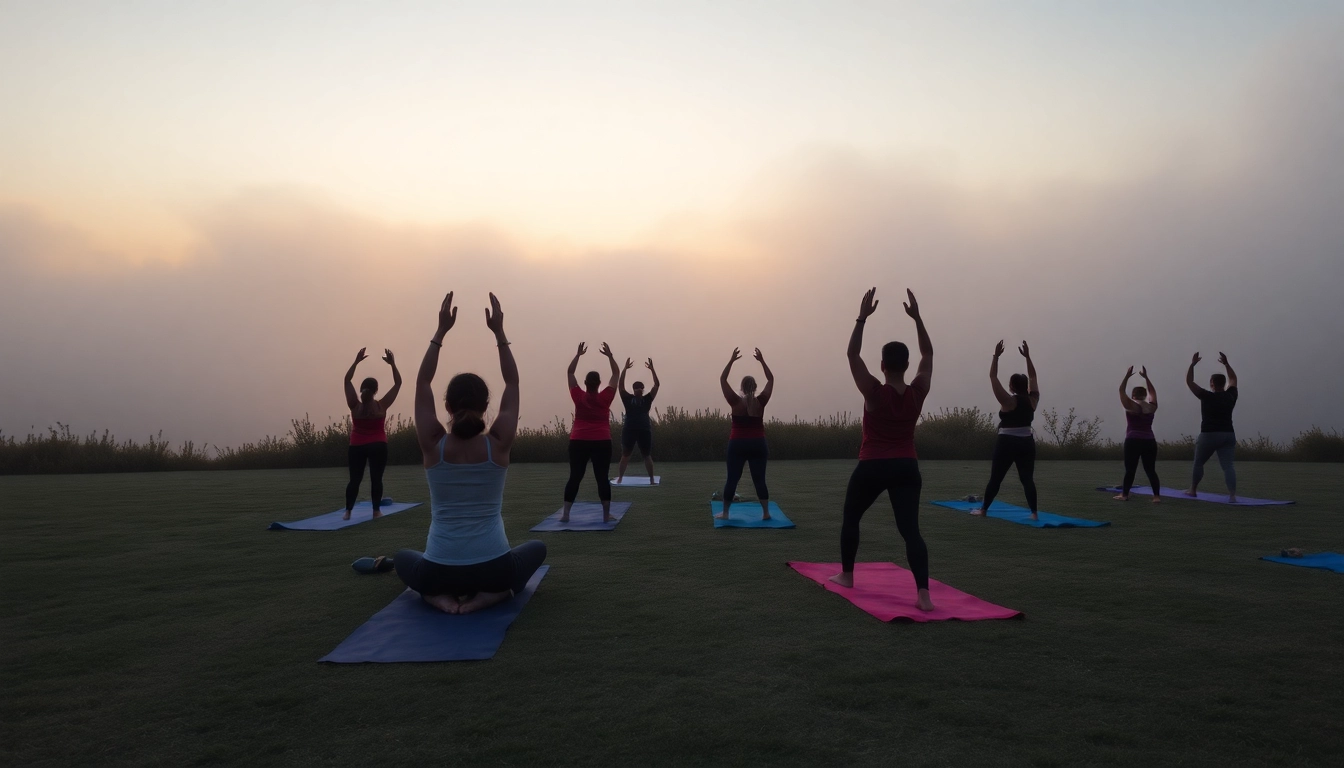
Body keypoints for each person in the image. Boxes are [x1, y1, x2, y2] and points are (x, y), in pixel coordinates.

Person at [385, 291, 545, 615]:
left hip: (438, 571)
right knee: (537, 548)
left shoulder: (433, 444)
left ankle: (435, 598)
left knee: (403, 558)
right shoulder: (497, 443)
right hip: (494, 570)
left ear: (447, 406)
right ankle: (494, 595)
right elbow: (512, 383)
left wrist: (441, 331)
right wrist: (499, 332)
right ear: (487, 407)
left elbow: (422, 383)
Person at [828, 288, 935, 612]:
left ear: (883, 365)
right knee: (910, 531)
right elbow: (928, 356)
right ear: (905, 365)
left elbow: (851, 356)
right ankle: (923, 595)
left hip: (873, 465)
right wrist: (917, 319)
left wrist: (862, 318)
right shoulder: (918, 391)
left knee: (851, 517)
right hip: (906, 466)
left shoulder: (875, 392)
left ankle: (847, 576)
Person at [972, 340, 1040, 520]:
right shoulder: (1033, 400)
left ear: (1011, 386)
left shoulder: (1008, 401)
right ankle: (1034, 513)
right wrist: (1028, 357)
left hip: (1007, 443)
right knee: (1027, 479)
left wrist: (996, 357)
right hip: (1027, 442)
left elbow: (993, 377)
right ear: (1025, 386)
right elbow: (1033, 377)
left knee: (996, 478)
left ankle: (984, 510)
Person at [562, 341, 619, 523]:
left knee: (575, 477)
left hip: (578, 440)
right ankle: (605, 515)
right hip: (602, 441)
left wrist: (578, 355)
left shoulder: (578, 396)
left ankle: (565, 515)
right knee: (602, 477)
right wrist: (610, 356)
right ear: (599, 383)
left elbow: (570, 373)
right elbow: (616, 374)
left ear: (585, 383)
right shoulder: (605, 397)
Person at [342, 347, 401, 520]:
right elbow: (398, 384)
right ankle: (376, 512)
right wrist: (392, 364)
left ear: (361, 390)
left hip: (356, 446)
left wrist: (356, 361)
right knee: (377, 478)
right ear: (376, 391)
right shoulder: (381, 406)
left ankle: (347, 513)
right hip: (378, 445)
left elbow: (346, 380)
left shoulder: (354, 405)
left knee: (355, 479)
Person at [717, 347, 774, 521]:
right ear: (755, 387)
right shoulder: (761, 401)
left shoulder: (735, 401)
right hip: (758, 444)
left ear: (741, 387)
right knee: (760, 479)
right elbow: (771, 379)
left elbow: (723, 379)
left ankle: (725, 513)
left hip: (738, 444)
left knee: (732, 478)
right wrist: (762, 360)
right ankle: (765, 513)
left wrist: (732, 360)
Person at [1185, 351, 1239, 502]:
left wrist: (1192, 364)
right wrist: (1227, 364)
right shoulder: (1231, 395)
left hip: (1209, 434)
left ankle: (1193, 490)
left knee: (1198, 463)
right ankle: (1233, 496)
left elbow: (1189, 381)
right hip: (1228, 434)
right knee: (1228, 466)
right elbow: (1233, 379)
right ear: (1224, 384)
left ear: (1212, 384)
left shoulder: (1206, 396)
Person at [1114, 366, 1161, 502]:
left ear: (1133, 396)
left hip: (1133, 440)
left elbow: (1121, 390)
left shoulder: (1130, 405)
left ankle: (1124, 495)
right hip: (1149, 441)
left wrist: (1127, 376)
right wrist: (1146, 377)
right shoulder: (1152, 407)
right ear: (1145, 396)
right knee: (1150, 470)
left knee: (1130, 470)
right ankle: (1156, 496)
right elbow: (1153, 392)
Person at [616, 357, 660, 485]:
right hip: (629, 430)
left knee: (647, 455)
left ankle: (651, 479)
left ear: (643, 389)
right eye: (635, 388)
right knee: (625, 455)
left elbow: (656, 385)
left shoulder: (647, 399)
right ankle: (620, 478)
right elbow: (620, 386)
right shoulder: (627, 399)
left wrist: (652, 370)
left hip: (644, 430)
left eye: (640, 388)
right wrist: (625, 369)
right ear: (633, 390)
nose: (638, 390)